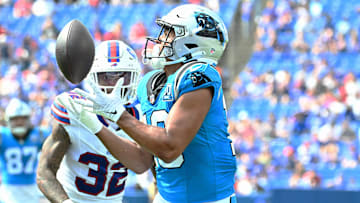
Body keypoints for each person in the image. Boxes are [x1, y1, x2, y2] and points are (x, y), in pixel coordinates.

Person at [71, 4, 237, 203]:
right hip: (167, 197)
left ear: (192, 42)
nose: (159, 39)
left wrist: (119, 115)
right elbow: (142, 161)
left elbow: (169, 148)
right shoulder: (150, 83)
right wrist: (95, 125)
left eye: (169, 32)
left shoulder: (199, 75)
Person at [36, 40, 153, 203]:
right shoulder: (75, 110)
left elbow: (143, 166)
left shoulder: (142, 115)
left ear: (134, 76)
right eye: (106, 76)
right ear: (92, 78)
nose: (114, 84)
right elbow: (45, 172)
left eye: (122, 76)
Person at [0, 98, 49, 203]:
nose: (19, 122)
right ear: (8, 120)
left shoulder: (39, 134)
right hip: (8, 190)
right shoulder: (2, 135)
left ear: (29, 119)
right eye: (15, 119)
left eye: (23, 118)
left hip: (31, 188)